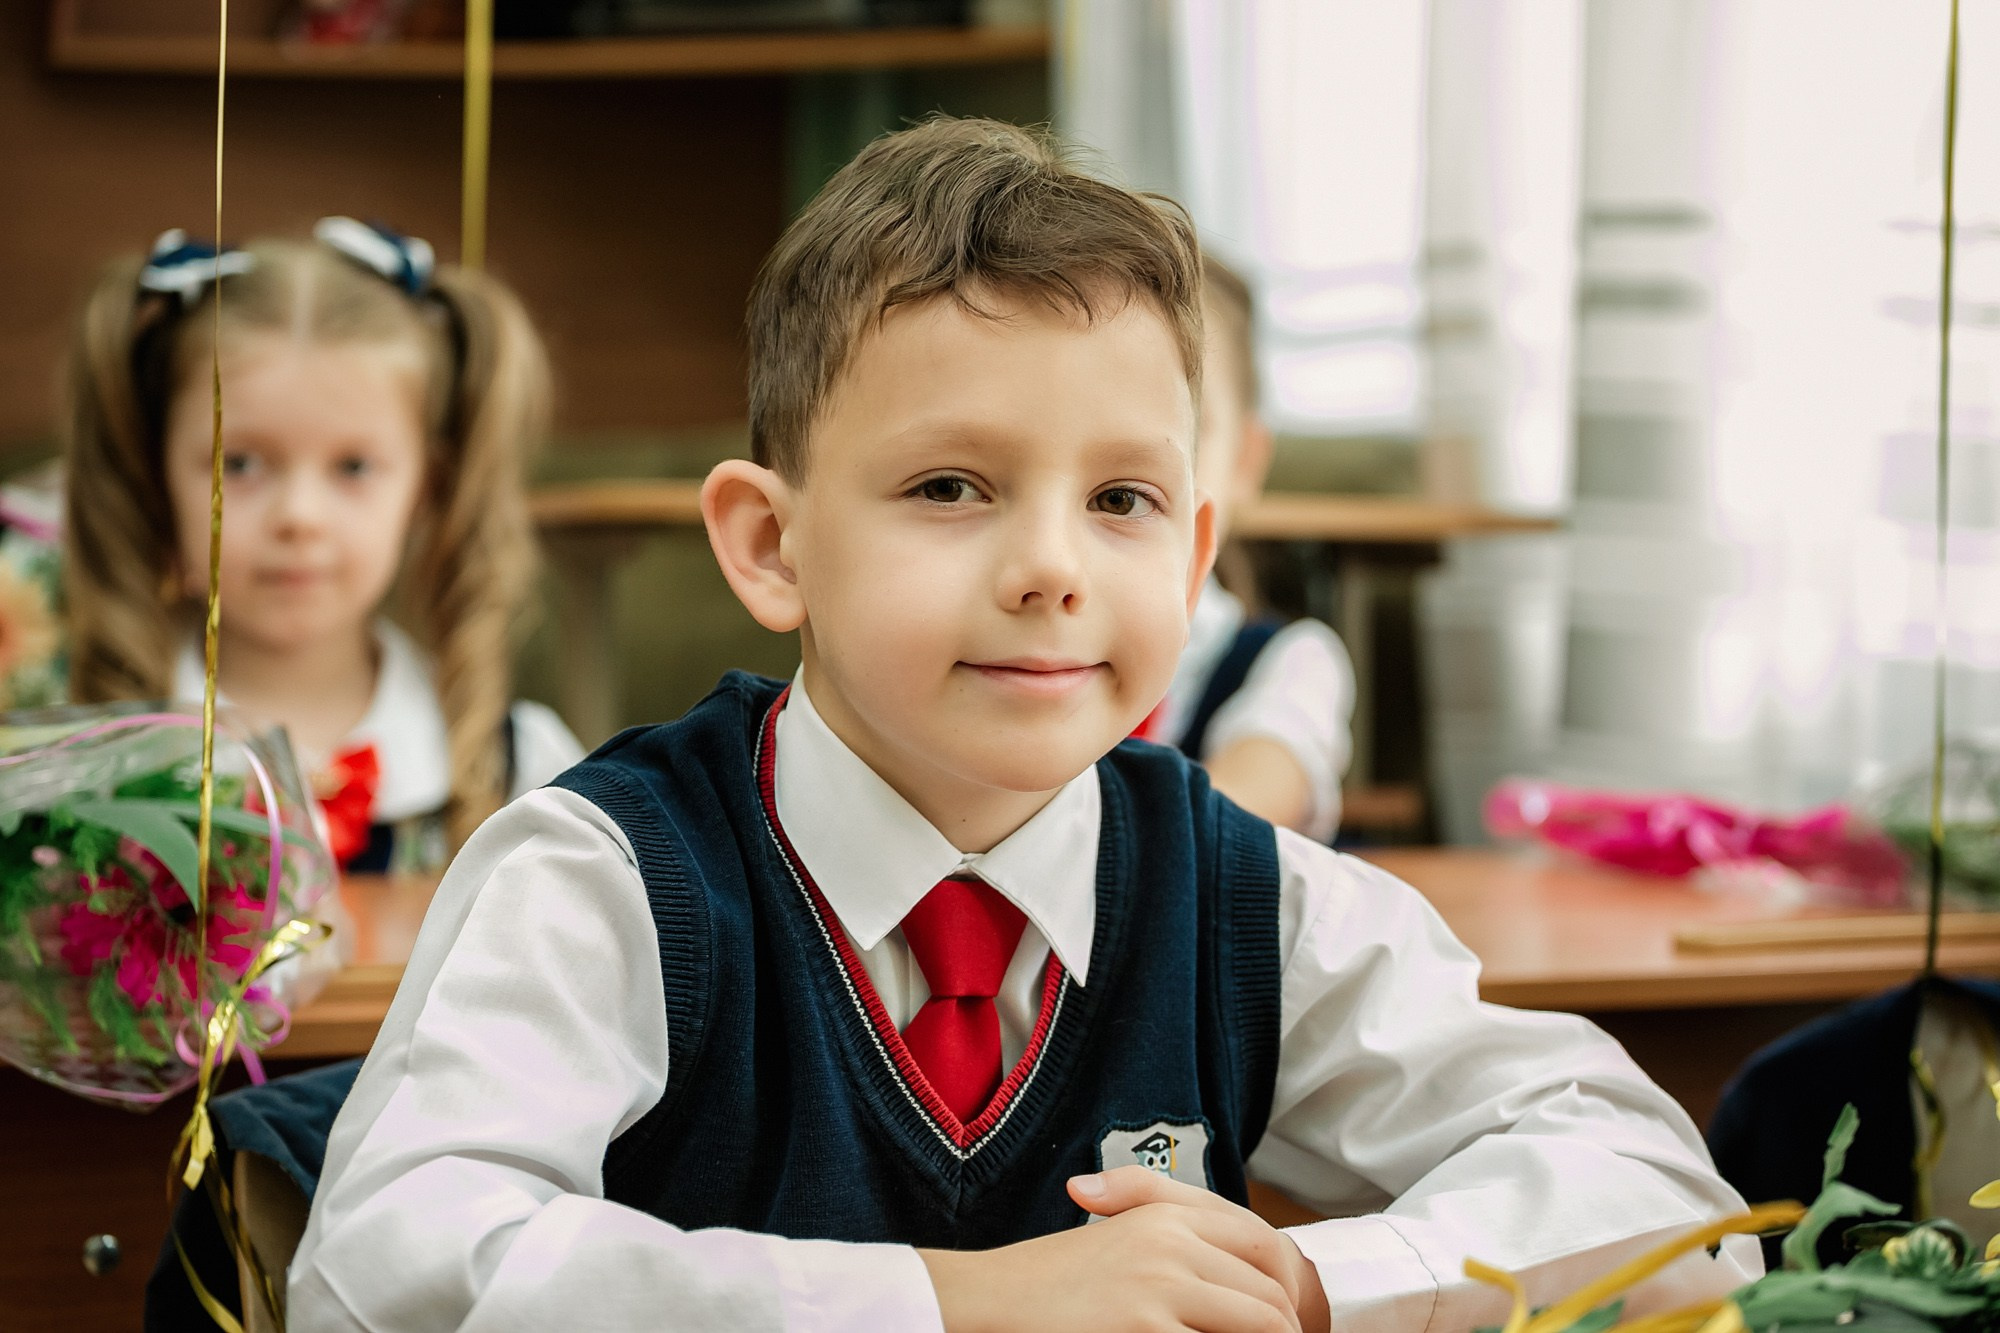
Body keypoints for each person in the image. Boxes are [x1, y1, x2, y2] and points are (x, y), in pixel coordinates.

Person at [292, 118, 1759, 1332]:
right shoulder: (604, 878)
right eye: (951, 486)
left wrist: (1314, 1276)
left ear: (1193, 561)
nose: (1053, 566)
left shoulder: (1246, 899)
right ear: (769, 545)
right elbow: (379, 1269)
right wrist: (954, 1303)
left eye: (1122, 500)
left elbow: (1670, 1198)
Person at [59, 218, 582, 874]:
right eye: (241, 463)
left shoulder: (530, 773)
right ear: (157, 474)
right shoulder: (62, 773)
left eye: (354, 467)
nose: (299, 517)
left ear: (427, 486)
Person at [1143, 257, 1355, 841]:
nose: (1139, 476)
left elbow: (1237, 813)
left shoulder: (1287, 662)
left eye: (1186, 428)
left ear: (1244, 461)